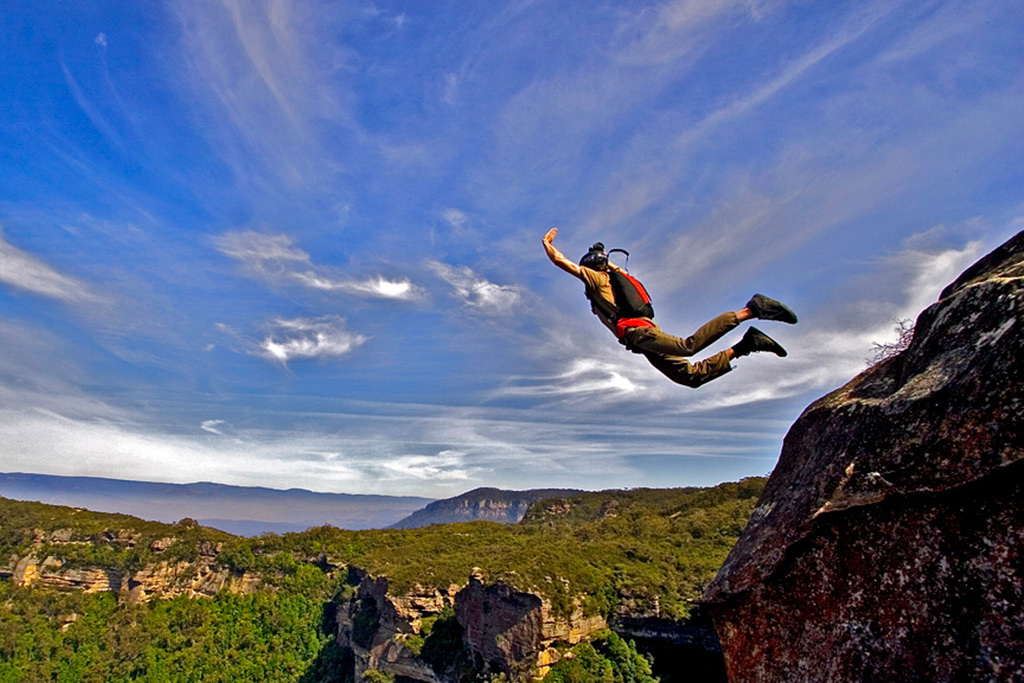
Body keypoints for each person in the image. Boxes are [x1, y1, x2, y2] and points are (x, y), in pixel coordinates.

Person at [542, 227, 798, 388]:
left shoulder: (597, 279)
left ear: (591, 267)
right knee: (690, 377)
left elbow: (563, 263)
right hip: (639, 339)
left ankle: (750, 310)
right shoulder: (609, 277)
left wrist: (549, 246)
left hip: (640, 334)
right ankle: (748, 344)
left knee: (688, 347)